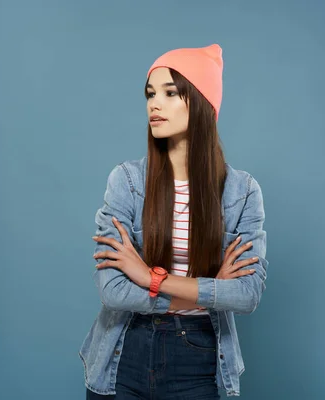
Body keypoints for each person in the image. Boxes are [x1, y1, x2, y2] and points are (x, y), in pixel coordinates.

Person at [79, 44, 268, 399]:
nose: (154, 104)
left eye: (170, 93)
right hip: (123, 351)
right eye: (150, 94)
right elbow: (112, 290)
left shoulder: (242, 192)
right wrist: (209, 291)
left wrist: (150, 278)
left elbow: (246, 294)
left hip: (197, 359)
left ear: (200, 102)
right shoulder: (127, 181)